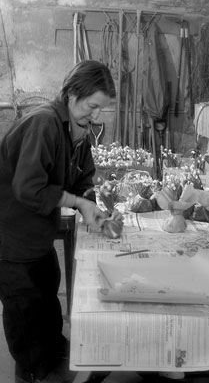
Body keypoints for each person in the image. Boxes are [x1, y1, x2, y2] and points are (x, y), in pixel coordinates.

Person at [0, 60, 116, 383]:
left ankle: (54, 358)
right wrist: (76, 202)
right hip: (13, 240)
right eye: (92, 106)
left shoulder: (77, 130)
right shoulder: (44, 124)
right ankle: (35, 372)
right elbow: (28, 187)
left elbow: (84, 179)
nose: (96, 117)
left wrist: (91, 206)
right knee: (26, 318)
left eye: (101, 109)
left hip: (38, 241)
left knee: (47, 303)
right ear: (71, 94)